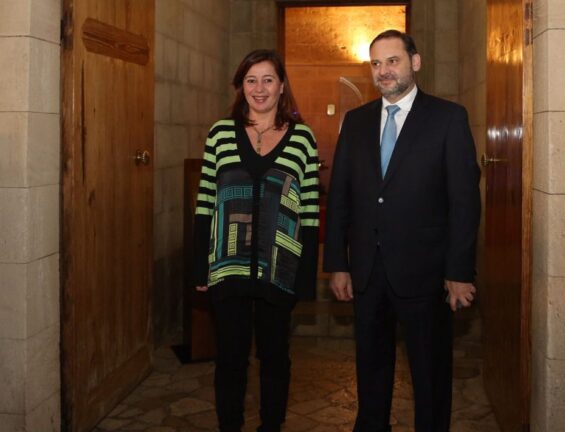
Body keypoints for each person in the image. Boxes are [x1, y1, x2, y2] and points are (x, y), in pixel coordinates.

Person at [324, 30, 481, 432]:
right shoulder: (355, 122)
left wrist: (459, 271)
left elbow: (464, 202)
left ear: (415, 62)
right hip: (368, 271)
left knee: (430, 376)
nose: (383, 71)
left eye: (392, 61)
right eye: (376, 64)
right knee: (371, 369)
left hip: (426, 273)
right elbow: (339, 196)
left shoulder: (448, 118)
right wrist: (338, 263)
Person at [193, 49, 320, 432]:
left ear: (281, 86)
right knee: (230, 358)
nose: (259, 88)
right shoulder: (220, 134)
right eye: (251, 80)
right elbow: (205, 203)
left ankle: (271, 426)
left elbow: (309, 211)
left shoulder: (303, 138)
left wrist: (305, 276)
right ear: (241, 86)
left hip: (280, 266)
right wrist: (200, 266)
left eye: (268, 80)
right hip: (226, 264)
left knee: (275, 357)